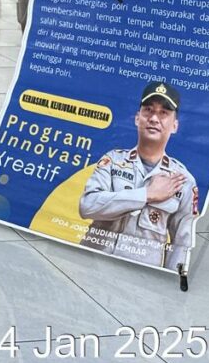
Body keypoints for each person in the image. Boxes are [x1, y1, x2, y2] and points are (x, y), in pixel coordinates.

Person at [79, 82, 198, 271]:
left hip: (139, 275)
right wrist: (146, 195)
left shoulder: (182, 180)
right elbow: (87, 207)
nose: (154, 118)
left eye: (164, 113)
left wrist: (169, 280)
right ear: (137, 118)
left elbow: (181, 243)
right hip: (90, 263)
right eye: (148, 110)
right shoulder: (113, 160)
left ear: (174, 125)